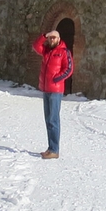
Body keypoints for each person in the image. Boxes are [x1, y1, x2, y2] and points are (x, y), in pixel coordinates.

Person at [32, 29, 73, 159]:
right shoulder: (46, 51)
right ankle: (50, 148)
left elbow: (69, 69)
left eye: (54, 38)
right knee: (48, 119)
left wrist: (57, 78)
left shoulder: (64, 52)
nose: (51, 40)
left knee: (53, 120)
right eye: (50, 38)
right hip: (46, 89)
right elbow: (35, 46)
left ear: (59, 39)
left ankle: (54, 150)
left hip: (56, 90)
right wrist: (44, 35)